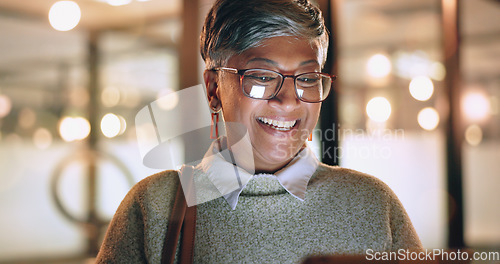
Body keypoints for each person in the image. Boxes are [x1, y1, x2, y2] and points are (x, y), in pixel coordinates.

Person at [95, 0, 422, 263]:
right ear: (213, 89)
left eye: (307, 78)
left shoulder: (370, 204)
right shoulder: (155, 205)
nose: (289, 100)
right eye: (263, 76)